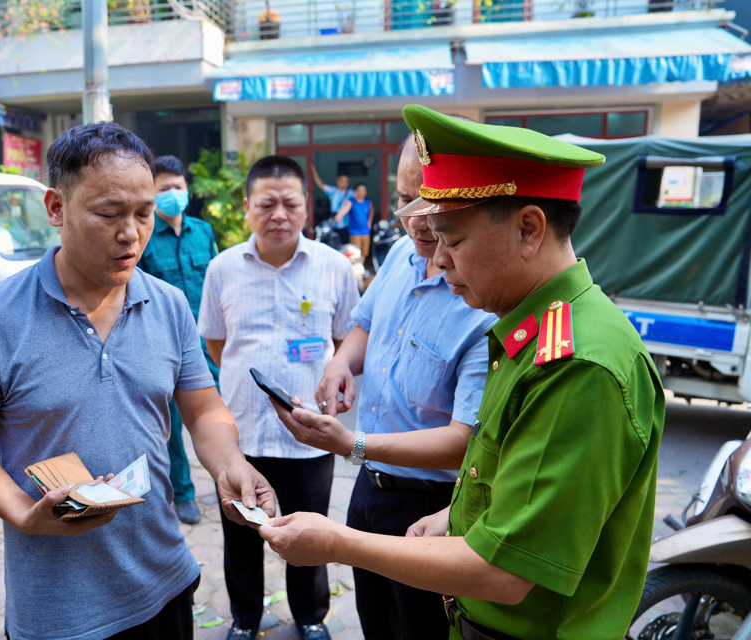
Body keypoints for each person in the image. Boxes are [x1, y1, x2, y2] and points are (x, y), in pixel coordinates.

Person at [260, 107, 665, 640]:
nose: (441, 259)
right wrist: (458, 515)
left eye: (453, 239)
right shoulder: (526, 330)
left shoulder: (577, 368)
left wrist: (336, 542)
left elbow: (505, 570)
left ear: (528, 229)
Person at [0, 122, 276, 640]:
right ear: (56, 208)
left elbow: (204, 409)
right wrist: (24, 513)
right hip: (59, 609)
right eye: (109, 214)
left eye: (144, 213)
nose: (131, 234)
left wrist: (231, 465)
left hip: (165, 581)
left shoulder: (168, 305)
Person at [280, 138, 493, 640]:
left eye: (430, 204)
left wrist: (350, 443)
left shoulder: (483, 300)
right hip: (369, 489)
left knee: (420, 628)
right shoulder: (400, 253)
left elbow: (464, 439)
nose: (416, 220)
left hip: (432, 504)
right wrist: (339, 363)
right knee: (375, 619)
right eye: (403, 202)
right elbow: (366, 325)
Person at [198, 156, 361, 640]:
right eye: (266, 204)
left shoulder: (334, 268)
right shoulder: (222, 269)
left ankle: (311, 618)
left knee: (309, 536)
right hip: (240, 435)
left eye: (290, 203)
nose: (279, 215)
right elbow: (217, 344)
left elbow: (346, 342)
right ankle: (245, 621)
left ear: (306, 207)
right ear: (247, 207)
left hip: (310, 437)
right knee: (241, 538)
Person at [137, 154, 220, 525]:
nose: (173, 194)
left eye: (178, 187)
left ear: (187, 189)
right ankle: (183, 491)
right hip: (162, 347)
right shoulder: (144, 236)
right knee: (170, 427)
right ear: (152, 195)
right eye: (164, 189)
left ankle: (227, 481)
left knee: (218, 417)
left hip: (208, 345)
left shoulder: (203, 232)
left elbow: (217, 288)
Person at [311, 164, 352, 244]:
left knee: (345, 245)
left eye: (346, 181)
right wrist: (313, 172)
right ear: (337, 181)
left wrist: (341, 214)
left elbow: (353, 203)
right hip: (333, 224)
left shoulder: (351, 193)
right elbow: (321, 185)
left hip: (346, 225)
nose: (344, 183)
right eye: (342, 181)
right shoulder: (333, 191)